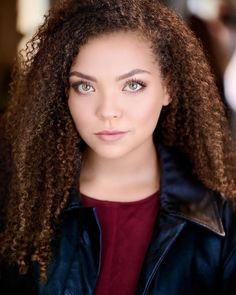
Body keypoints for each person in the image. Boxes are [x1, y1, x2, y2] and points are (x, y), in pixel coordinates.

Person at [0, 0, 236, 294]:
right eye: (85, 86)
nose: (108, 111)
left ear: (168, 88)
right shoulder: (17, 202)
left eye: (133, 85)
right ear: (63, 92)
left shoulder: (223, 217)